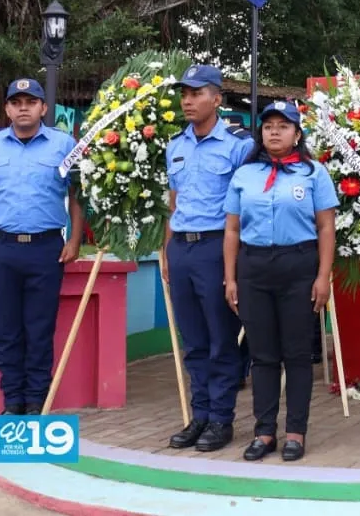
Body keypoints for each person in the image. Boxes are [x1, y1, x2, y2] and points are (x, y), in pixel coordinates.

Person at [224, 101, 336, 463]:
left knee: (297, 354)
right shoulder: (245, 175)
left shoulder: (314, 173)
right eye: (269, 125)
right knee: (262, 355)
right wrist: (230, 277)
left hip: (298, 266)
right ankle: (264, 431)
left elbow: (326, 227)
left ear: (297, 134)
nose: (275, 131)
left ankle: (296, 432)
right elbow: (232, 229)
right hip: (254, 267)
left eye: (283, 125)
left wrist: (323, 276)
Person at [0, 78, 82, 415]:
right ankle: (13, 399)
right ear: (7, 109)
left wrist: (75, 239)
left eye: (30, 102)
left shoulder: (64, 144)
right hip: (1, 249)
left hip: (46, 249)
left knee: (40, 327)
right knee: (7, 329)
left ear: (43, 108)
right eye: (16, 103)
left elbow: (78, 193)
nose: (23, 108)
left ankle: (36, 400)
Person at [161, 64, 253, 452]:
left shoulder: (239, 145)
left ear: (217, 99)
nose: (188, 100)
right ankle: (199, 414)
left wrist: (236, 263)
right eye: (184, 94)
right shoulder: (175, 146)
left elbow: (246, 205)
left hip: (216, 248)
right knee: (194, 339)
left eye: (196, 93)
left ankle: (220, 418)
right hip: (181, 248)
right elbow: (175, 202)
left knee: (220, 338)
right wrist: (167, 250)